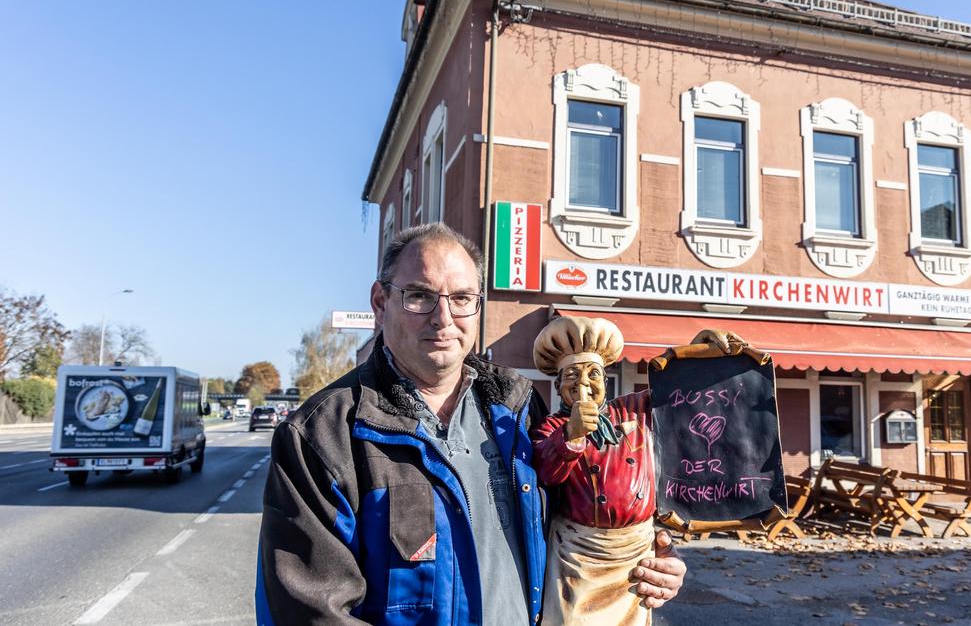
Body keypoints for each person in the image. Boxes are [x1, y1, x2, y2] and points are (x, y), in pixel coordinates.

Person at [255, 222, 688, 625]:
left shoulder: (518, 409)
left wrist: (649, 558)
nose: (443, 319)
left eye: (461, 299)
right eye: (420, 296)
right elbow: (311, 611)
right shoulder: (322, 436)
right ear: (380, 302)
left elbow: (575, 519)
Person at [532, 316, 747, 626]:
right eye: (572, 376)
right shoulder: (552, 427)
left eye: (592, 374)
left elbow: (679, 392)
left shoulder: (633, 410)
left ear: (605, 380)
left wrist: (702, 353)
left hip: (634, 552)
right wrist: (571, 435)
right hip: (579, 556)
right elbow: (544, 472)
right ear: (558, 385)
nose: (583, 384)